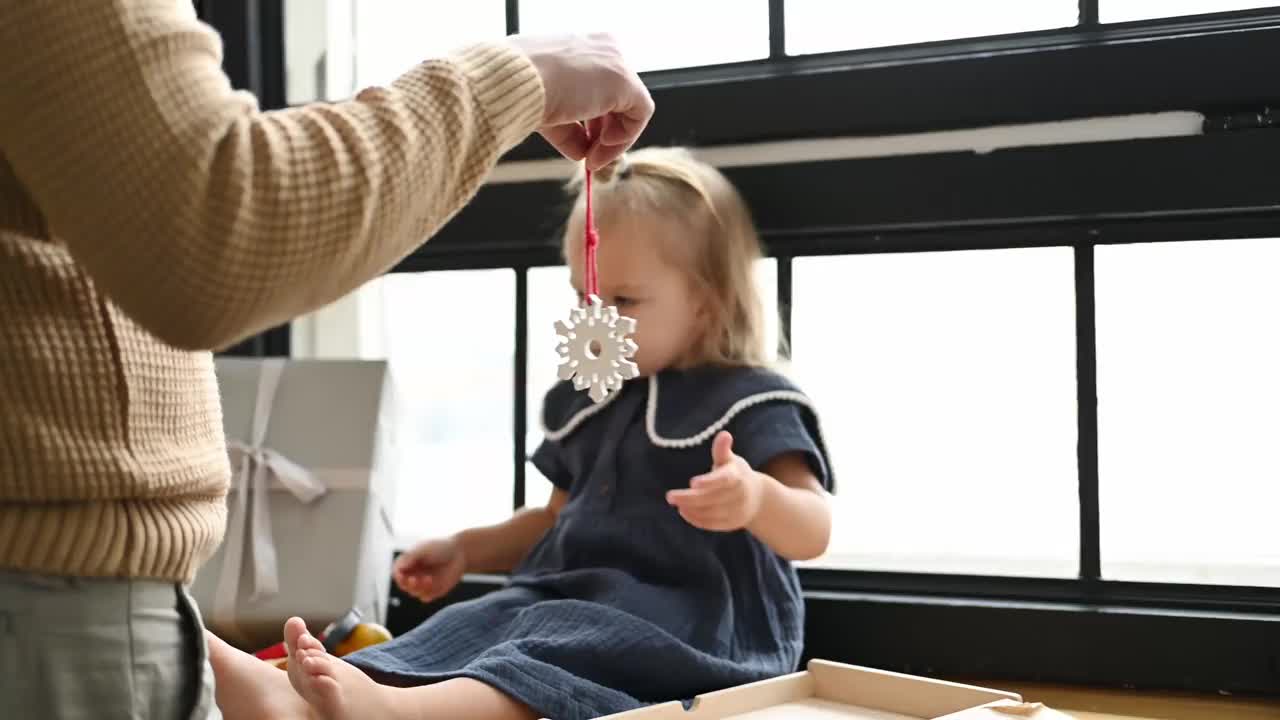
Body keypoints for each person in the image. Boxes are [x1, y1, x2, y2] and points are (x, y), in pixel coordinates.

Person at [0, 0, 653, 716]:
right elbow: (216, 223)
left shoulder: (739, 407)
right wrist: (516, 78)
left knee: (561, 639)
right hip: (49, 608)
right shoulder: (582, 411)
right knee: (490, 633)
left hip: (73, 597)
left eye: (632, 299)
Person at [205, 147, 836, 720]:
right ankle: (296, 697)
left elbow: (813, 528)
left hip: (695, 622)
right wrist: (468, 550)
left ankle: (398, 715)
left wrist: (755, 498)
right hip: (568, 595)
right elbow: (557, 519)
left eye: (623, 301)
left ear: (708, 303)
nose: (597, 318)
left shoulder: (751, 399)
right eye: (583, 296)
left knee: (550, 646)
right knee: (473, 623)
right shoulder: (592, 401)